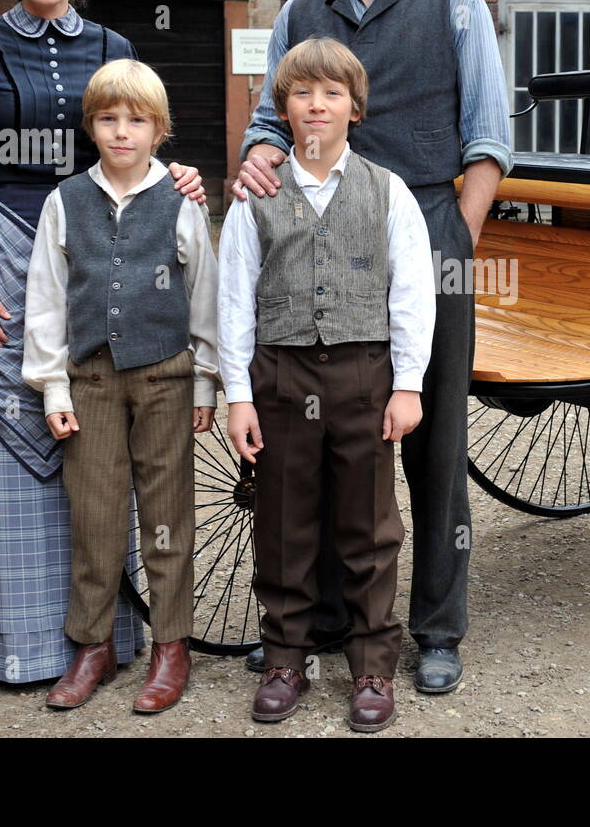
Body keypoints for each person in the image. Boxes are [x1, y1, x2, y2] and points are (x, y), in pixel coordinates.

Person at [233, 0, 511, 695]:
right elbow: (268, 126)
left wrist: (449, 241)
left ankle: (433, 628)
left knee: (428, 436)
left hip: (426, 223)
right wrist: (255, 156)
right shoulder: (297, 15)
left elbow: (490, 140)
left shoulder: (455, 0)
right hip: (314, 236)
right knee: (316, 437)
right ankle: (319, 623)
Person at [0, 0, 205, 684]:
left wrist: (176, 177)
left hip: (95, 254)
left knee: (100, 448)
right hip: (3, 252)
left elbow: (136, 142)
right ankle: (15, 643)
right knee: (13, 444)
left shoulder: (115, 43)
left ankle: (111, 639)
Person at [220, 37, 435, 731]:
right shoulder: (257, 195)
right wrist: (238, 394)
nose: (317, 104)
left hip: (363, 376)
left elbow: (413, 293)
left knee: (368, 526)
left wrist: (408, 384)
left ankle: (372, 667)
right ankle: (287, 657)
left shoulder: (386, 190)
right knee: (283, 521)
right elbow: (231, 299)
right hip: (280, 375)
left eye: (332, 93)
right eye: (303, 92)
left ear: (355, 108)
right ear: (282, 108)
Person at [22, 59, 219, 712]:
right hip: (91, 379)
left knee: (166, 518)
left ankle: (170, 646)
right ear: (92, 126)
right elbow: (47, 299)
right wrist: (53, 387)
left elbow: (204, 296)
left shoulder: (181, 199)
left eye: (136, 120)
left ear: (158, 129)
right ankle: (93, 645)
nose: (121, 131)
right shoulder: (66, 201)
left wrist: (206, 382)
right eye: (108, 119)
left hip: (165, 375)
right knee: (95, 513)